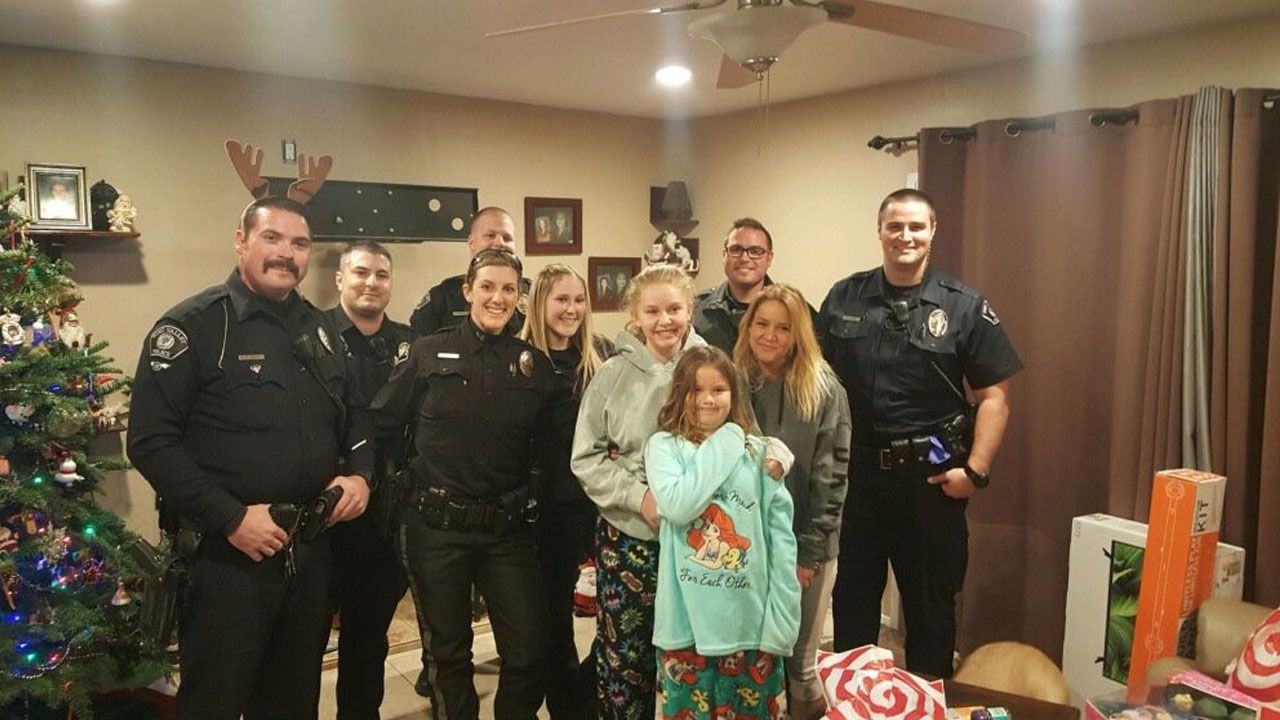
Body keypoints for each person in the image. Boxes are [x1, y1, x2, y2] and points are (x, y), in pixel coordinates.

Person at [128, 196, 374, 719]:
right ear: (240, 242)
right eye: (272, 238)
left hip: (309, 551)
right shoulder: (194, 327)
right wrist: (232, 518)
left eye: (300, 243)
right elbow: (150, 441)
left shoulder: (322, 329)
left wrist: (361, 476)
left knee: (292, 703)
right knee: (215, 703)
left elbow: (356, 417)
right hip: (226, 558)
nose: (287, 252)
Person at [819, 188, 1023, 678]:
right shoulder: (845, 297)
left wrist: (976, 472)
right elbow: (815, 378)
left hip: (930, 478)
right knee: (852, 606)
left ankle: (928, 704)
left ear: (932, 231)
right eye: (895, 226)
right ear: (880, 231)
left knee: (931, 613)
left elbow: (994, 397)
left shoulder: (963, 305)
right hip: (858, 481)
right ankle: (855, 703)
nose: (905, 236)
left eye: (915, 226)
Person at [370, 249, 570, 720]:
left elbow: (558, 441)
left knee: (529, 650)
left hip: (506, 530)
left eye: (509, 289)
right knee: (448, 657)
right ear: (468, 291)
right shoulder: (427, 353)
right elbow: (382, 424)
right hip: (436, 528)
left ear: (519, 296)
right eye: (487, 287)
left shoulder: (533, 365)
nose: (498, 298)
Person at [570, 264, 706, 720]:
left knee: (692, 659)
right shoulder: (612, 374)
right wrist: (637, 497)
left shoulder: (711, 367)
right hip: (629, 540)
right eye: (653, 311)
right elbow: (585, 457)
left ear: (690, 310)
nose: (665, 320)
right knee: (626, 660)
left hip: (699, 540)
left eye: (674, 309)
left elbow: (736, 440)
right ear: (635, 315)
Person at [645, 346, 801, 720]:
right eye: (696, 389)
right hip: (686, 633)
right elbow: (678, 506)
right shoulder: (664, 448)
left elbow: (782, 544)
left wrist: (782, 624)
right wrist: (731, 436)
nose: (708, 400)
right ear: (679, 392)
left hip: (751, 631)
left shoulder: (762, 455)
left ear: (734, 394)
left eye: (718, 389)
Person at [735, 284, 852, 720]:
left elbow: (831, 477)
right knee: (751, 663)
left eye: (783, 328)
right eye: (761, 324)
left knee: (799, 665)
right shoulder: (731, 381)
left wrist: (808, 553)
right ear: (748, 327)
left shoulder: (825, 389)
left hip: (807, 546)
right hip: (746, 546)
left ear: (798, 333)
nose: (769, 335)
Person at [519, 264, 615, 719]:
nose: (572, 309)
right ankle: (567, 706)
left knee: (619, 611)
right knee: (554, 615)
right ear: (540, 303)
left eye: (579, 299)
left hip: (601, 501)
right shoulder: (520, 360)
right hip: (547, 509)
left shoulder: (602, 356)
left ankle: (585, 687)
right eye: (561, 299)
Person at [326, 241, 417, 720]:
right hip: (323, 508)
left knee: (367, 638)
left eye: (381, 274)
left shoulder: (409, 344)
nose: (371, 283)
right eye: (361, 272)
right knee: (302, 641)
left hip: (385, 513)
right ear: (340, 278)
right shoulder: (312, 336)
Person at [409, 206, 530, 336]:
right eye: (490, 235)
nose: (500, 243)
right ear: (471, 242)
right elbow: (419, 342)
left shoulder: (531, 294)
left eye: (507, 238)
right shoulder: (444, 296)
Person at [693, 218, 787, 355]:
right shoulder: (697, 309)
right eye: (736, 250)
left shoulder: (793, 311)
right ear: (724, 255)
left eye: (755, 251)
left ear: (769, 258)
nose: (744, 258)